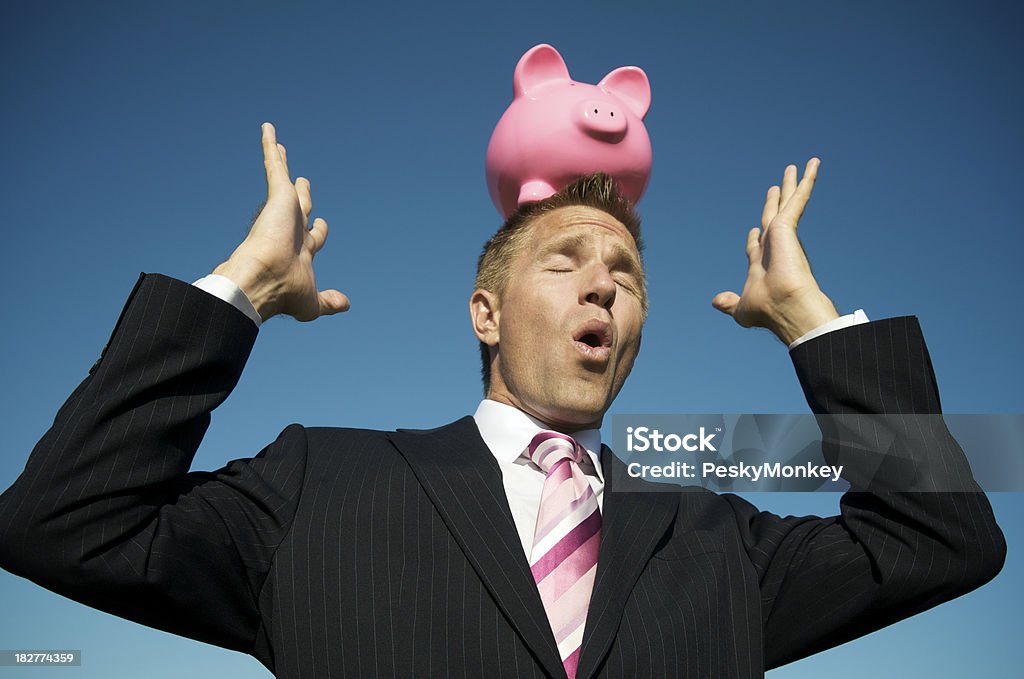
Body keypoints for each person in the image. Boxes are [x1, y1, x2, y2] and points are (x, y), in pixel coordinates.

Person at [0, 122, 1005, 679]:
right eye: (564, 260)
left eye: (626, 273)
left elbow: (940, 541)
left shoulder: (716, 538)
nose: (604, 283)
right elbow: (59, 523)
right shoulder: (316, 482)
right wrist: (241, 291)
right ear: (484, 313)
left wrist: (812, 323)